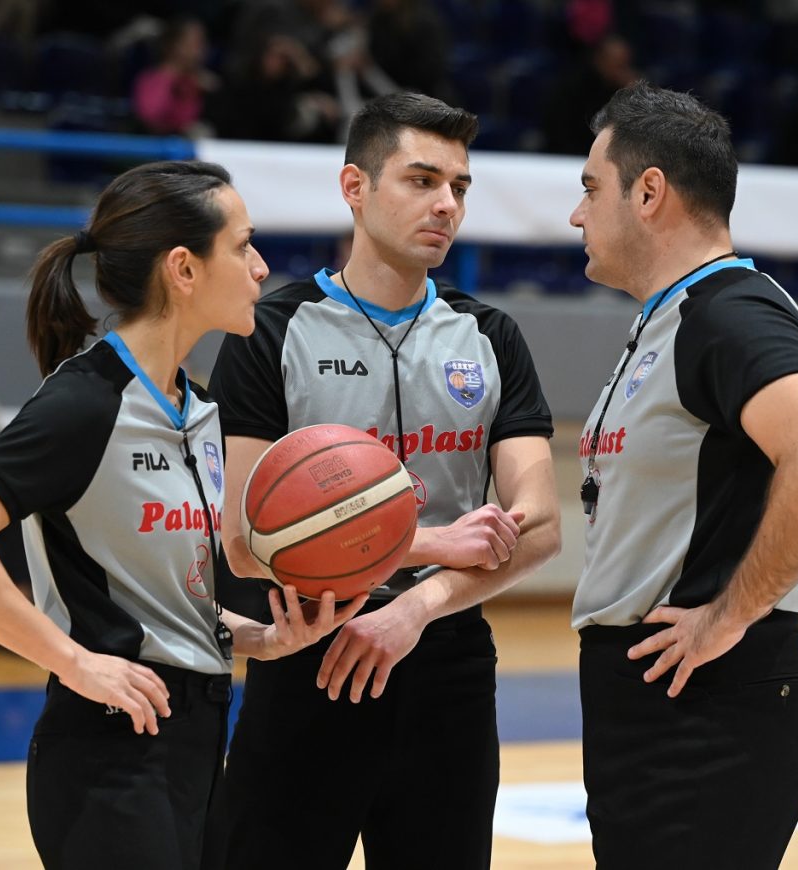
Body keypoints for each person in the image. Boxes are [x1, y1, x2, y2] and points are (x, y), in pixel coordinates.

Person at [0, 160, 367, 869]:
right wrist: (74, 662)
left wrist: (258, 638)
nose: (261, 266)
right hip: (107, 751)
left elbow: (155, 592)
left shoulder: (201, 409)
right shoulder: (84, 403)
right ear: (183, 269)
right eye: (243, 246)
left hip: (199, 737)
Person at [208, 92, 562, 869]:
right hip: (309, 651)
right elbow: (240, 543)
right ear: (354, 188)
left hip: (449, 661)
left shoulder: (491, 335)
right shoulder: (270, 331)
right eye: (421, 180)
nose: (445, 204)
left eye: (459, 187)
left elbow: (539, 524)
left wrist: (421, 608)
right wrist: (433, 545)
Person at [568, 81, 798, 869]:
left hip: (705, 715)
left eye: (590, 190)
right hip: (659, 707)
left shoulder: (728, 312)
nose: (576, 215)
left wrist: (728, 615)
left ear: (649, 192)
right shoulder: (671, 319)